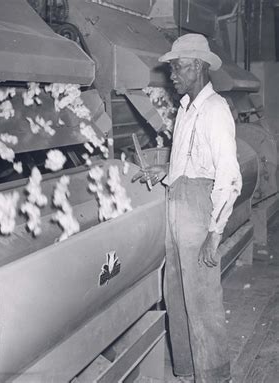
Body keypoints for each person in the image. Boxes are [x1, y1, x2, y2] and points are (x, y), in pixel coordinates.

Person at [133, 33, 242, 382]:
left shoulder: (215, 110)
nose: (172, 76)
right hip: (177, 202)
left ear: (197, 66)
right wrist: (165, 171)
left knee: (203, 300)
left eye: (177, 68)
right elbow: (193, 163)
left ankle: (213, 375)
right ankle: (187, 370)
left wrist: (215, 232)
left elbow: (228, 175)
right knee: (177, 296)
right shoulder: (185, 109)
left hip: (198, 209)